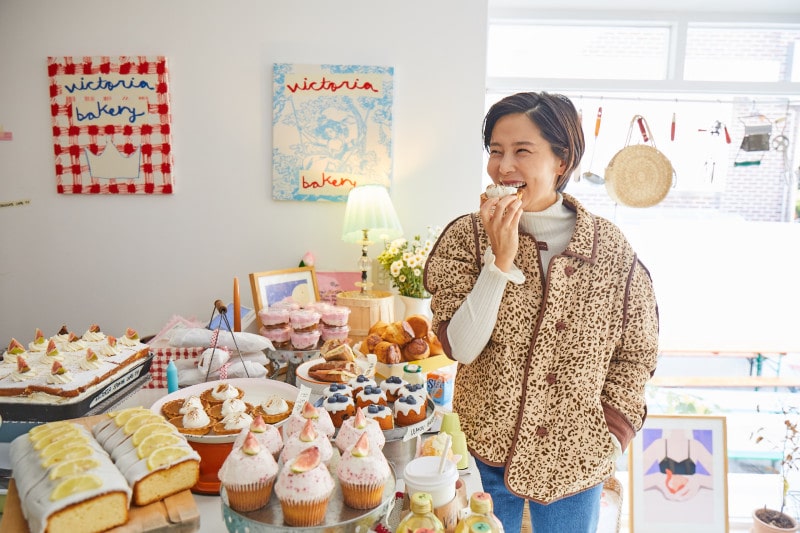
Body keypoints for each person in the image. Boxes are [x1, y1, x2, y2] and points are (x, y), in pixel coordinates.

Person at [423, 92, 659, 532]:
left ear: (562, 160)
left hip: (576, 460)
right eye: (495, 151)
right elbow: (463, 348)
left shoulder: (610, 250)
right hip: (482, 450)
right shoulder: (465, 239)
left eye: (521, 151)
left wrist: (613, 433)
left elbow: (636, 352)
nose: (502, 166)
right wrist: (499, 262)